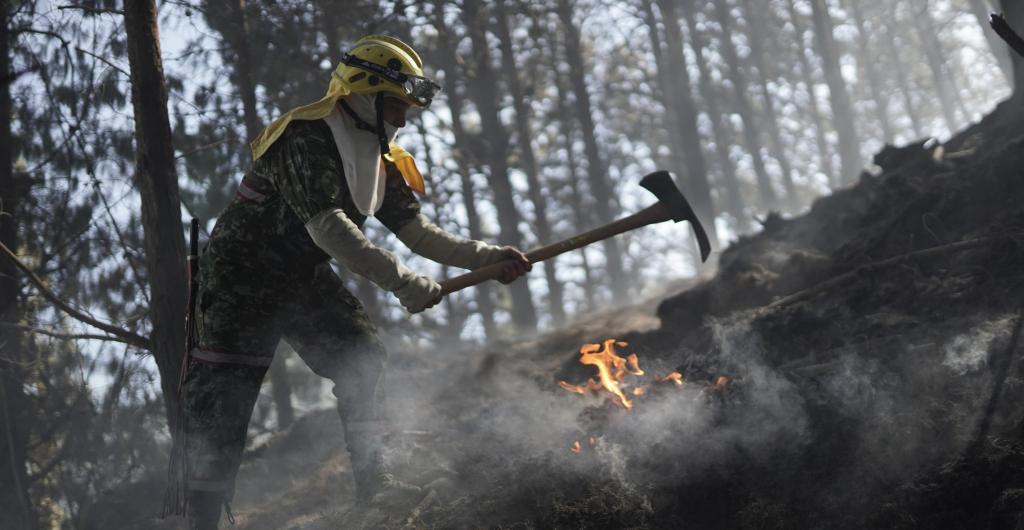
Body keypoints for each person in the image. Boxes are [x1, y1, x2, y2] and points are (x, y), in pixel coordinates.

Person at [178, 35, 531, 529]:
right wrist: (404, 283)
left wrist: (488, 259)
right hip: (241, 279)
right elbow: (329, 228)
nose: (404, 121)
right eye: (398, 107)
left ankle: (376, 487)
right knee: (225, 404)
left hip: (300, 278)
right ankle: (201, 523)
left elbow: (417, 232)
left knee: (362, 356)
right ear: (365, 93)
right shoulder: (303, 137)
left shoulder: (382, 157)